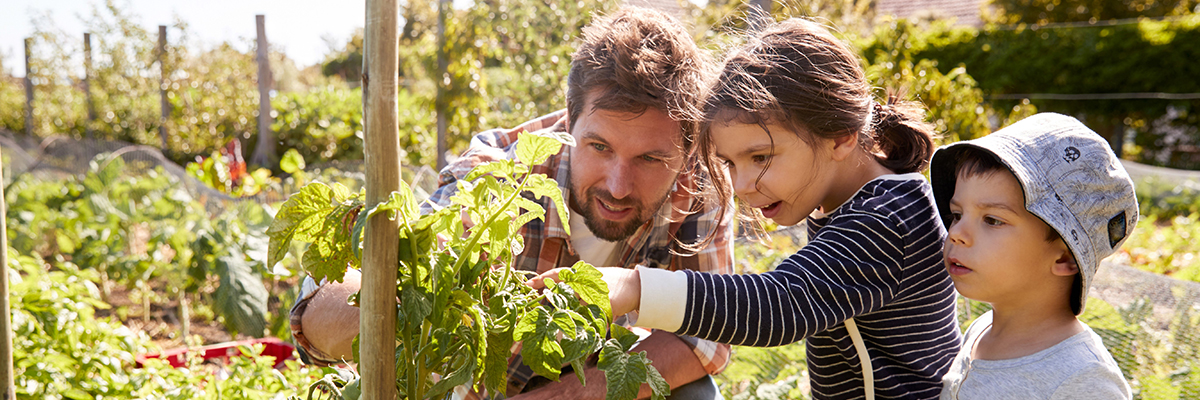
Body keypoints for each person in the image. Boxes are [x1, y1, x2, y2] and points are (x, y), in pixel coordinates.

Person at [288, 7, 735, 400]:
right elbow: (317, 313)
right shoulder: (500, 174)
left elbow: (705, 340)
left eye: (651, 159)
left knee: (692, 392)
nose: (618, 186)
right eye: (599, 147)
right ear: (568, 120)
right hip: (484, 390)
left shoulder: (702, 186)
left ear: (688, 147)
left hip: (590, 378)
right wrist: (424, 291)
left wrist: (570, 396)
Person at [535, 18, 963, 399]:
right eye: (729, 163)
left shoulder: (888, 217)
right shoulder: (847, 205)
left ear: (840, 136)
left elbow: (781, 304)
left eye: (760, 158)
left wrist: (634, 289)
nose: (741, 186)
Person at [928, 113, 1136, 399]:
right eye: (957, 214)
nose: (956, 233)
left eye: (992, 220)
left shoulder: (1083, 379)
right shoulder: (981, 330)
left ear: (1065, 258)